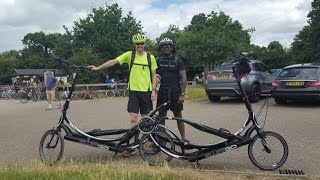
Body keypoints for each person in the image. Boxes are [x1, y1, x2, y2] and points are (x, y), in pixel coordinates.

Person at [89, 33, 158, 157]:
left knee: (145, 120)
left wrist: (153, 91)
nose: (140, 46)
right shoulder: (129, 55)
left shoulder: (150, 58)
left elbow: (154, 75)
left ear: (144, 44)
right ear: (135, 45)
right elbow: (113, 62)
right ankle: (131, 146)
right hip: (134, 92)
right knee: (133, 119)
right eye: (137, 44)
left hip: (146, 92)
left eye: (142, 43)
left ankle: (145, 143)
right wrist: (98, 68)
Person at [156, 38, 188, 143]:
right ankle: (161, 139)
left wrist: (182, 94)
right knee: (161, 117)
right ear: (161, 48)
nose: (166, 48)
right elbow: (153, 76)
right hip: (162, 92)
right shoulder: (158, 61)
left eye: (168, 46)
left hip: (175, 92)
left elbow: (183, 77)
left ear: (172, 48)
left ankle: (183, 139)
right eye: (164, 46)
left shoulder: (178, 61)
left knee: (178, 116)